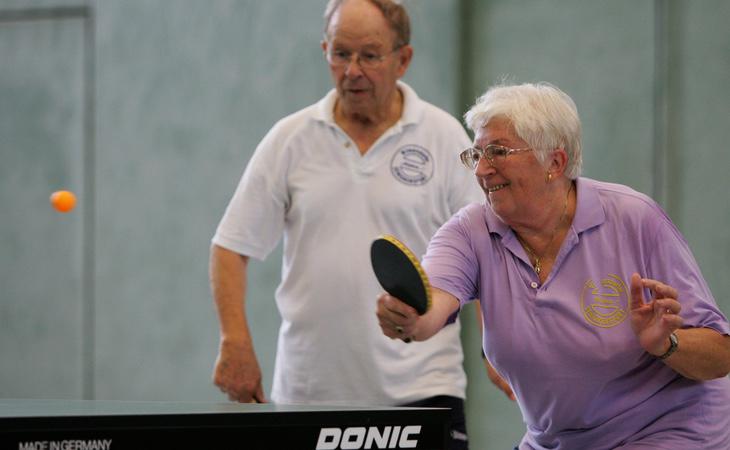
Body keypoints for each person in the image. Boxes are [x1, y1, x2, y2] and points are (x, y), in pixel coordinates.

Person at [377, 82, 730, 449]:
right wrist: (409, 317)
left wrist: (666, 344)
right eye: (476, 154)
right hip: (556, 440)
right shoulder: (470, 231)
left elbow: (720, 356)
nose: (482, 170)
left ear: (555, 163)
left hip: (667, 430)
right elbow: (433, 303)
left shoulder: (634, 218)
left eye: (498, 152)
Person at [209, 1, 483, 448]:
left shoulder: (444, 136)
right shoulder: (289, 140)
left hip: (423, 393)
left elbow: (483, 249)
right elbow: (229, 247)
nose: (352, 70)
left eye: (370, 56)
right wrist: (235, 340)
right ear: (325, 51)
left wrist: (499, 346)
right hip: (307, 397)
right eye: (340, 54)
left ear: (403, 59)